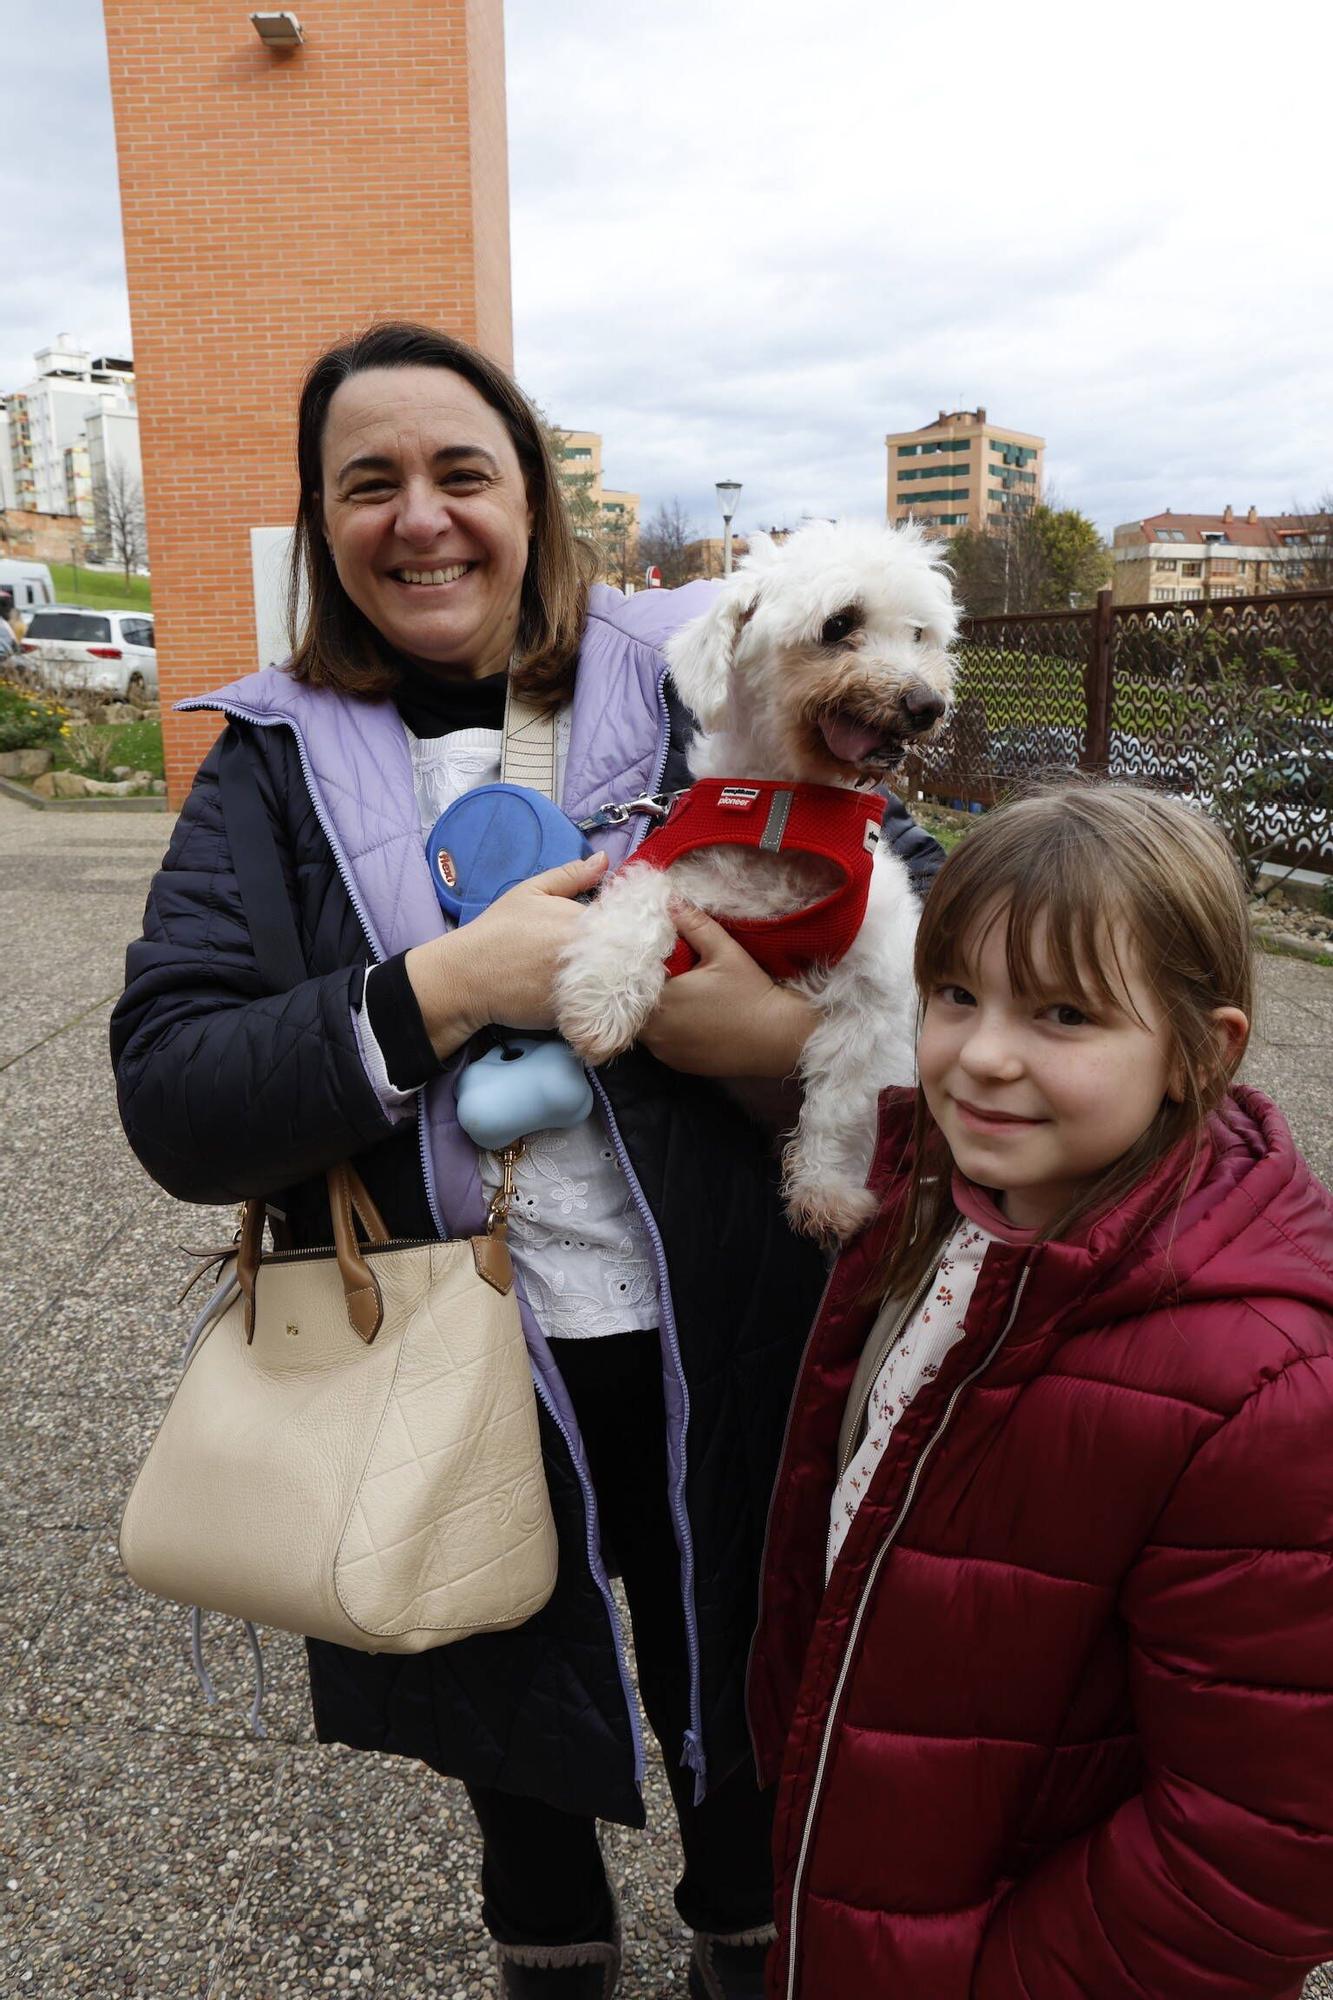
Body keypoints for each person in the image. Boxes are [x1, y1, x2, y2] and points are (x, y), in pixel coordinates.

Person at [109, 321, 943, 2000]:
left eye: (460, 472)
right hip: (452, 1333)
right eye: (370, 483)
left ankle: (747, 1938)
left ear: (533, 507)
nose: (420, 516)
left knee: (743, 1658)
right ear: (324, 531)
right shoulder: (266, 765)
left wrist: (773, 1055)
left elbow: (944, 967)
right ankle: (549, 1957)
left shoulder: (708, 674)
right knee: (491, 1662)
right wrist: (438, 992)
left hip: (733, 1321)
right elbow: (175, 1095)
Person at [749, 781, 1333, 2000]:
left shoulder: (1261, 1389)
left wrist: (991, 1974)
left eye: (1063, 1012)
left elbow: (1268, 1846)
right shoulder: (940, 1208)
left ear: (1199, 1051)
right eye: (956, 992)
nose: (984, 1053)